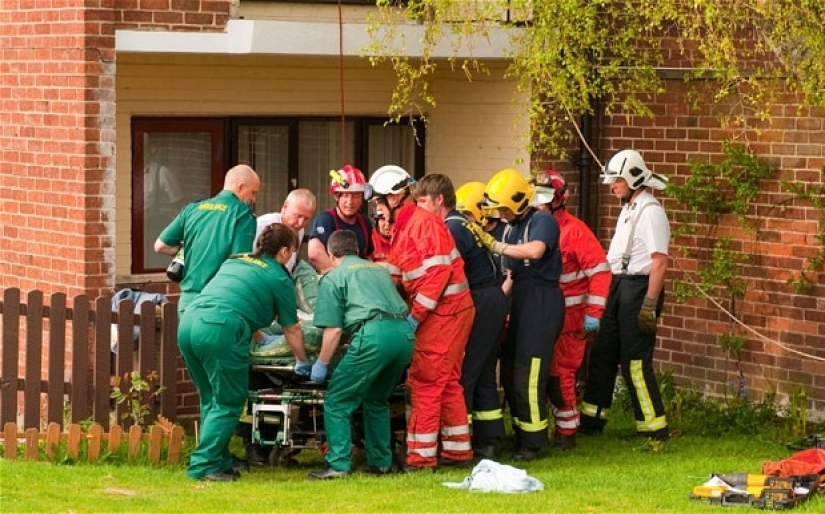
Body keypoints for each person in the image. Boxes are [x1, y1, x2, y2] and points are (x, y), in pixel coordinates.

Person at [177, 223, 311, 482]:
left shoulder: (236, 261)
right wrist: (302, 361)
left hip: (189, 323)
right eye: (293, 251)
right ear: (284, 251)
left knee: (211, 398)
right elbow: (292, 328)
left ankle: (219, 458)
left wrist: (260, 336)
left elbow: (235, 299)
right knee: (229, 401)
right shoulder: (279, 278)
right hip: (221, 330)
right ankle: (203, 465)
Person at [367, 164, 475, 470]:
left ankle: (420, 458)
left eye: (379, 202)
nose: (377, 210)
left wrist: (415, 316)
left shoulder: (421, 224)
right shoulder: (404, 228)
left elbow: (438, 274)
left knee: (425, 381)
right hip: (448, 311)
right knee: (447, 381)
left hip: (444, 313)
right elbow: (397, 275)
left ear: (395, 198)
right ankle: (457, 452)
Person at [464, 168, 565, 461]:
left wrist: (497, 245)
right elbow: (509, 273)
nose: (502, 214)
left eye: (504, 208)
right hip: (519, 297)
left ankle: (534, 442)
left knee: (529, 373)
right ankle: (521, 434)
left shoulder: (542, 220)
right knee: (510, 371)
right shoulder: (511, 227)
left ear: (519, 201)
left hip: (541, 300)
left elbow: (536, 251)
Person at [307, 230, 415, 479]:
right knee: (377, 400)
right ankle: (381, 463)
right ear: (356, 250)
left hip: (374, 337)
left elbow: (333, 330)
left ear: (331, 254)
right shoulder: (379, 270)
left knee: (337, 400)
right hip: (403, 336)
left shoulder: (335, 276)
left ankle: (338, 464)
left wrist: (321, 363)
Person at [579, 149, 671, 441]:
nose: (612, 186)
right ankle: (592, 421)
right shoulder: (629, 207)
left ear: (632, 178)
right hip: (618, 285)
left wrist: (649, 304)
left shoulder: (651, 211)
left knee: (635, 362)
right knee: (603, 353)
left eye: (616, 180)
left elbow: (659, 261)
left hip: (638, 289)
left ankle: (653, 428)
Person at [415, 176, 508, 461]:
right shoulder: (462, 222)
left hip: (479, 301)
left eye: (423, 201)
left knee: (465, 373)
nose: (419, 208)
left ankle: (458, 442)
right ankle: (487, 438)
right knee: (483, 370)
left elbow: (443, 273)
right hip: (490, 299)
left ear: (439, 200)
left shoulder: (450, 228)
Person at [531, 170, 611, 450]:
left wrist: (593, 314)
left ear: (558, 199)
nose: (539, 204)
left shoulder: (575, 231)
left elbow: (600, 272)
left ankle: (566, 433)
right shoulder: (533, 227)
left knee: (560, 374)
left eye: (544, 198)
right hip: (542, 315)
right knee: (541, 374)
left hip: (570, 318)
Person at [154, 164, 259, 314]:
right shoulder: (242, 214)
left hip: (187, 302)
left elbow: (160, 245)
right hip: (218, 302)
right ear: (241, 186)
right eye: (253, 192)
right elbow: (239, 264)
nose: (253, 199)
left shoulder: (193, 209)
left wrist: (188, 251)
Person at [308, 165, 373, 273]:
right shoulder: (325, 220)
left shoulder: (365, 223)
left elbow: (368, 257)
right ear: (336, 197)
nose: (350, 202)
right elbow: (315, 254)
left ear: (362, 198)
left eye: (355, 196)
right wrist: (340, 278)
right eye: (345, 195)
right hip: (330, 279)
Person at [254, 188, 317, 274]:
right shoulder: (262, 225)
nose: (300, 223)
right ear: (285, 206)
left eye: (306, 218)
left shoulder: (299, 231)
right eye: (298, 216)